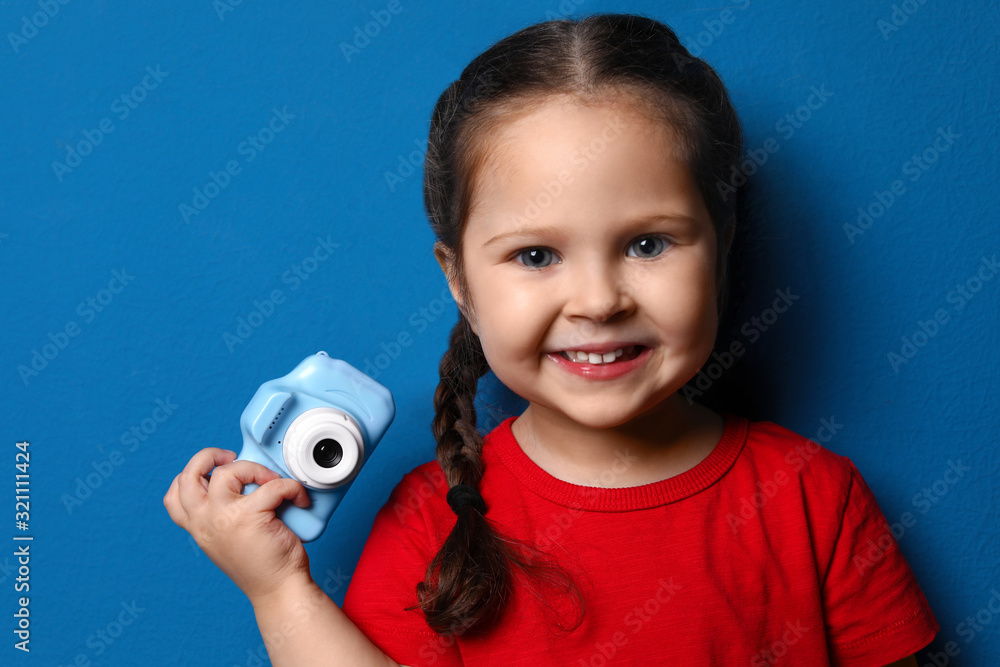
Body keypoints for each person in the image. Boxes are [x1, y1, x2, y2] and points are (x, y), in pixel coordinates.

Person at [163, 13, 938, 666]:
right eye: (536, 255)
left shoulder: (815, 500)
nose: (598, 300)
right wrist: (279, 590)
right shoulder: (432, 519)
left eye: (648, 243)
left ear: (724, 244)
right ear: (461, 281)